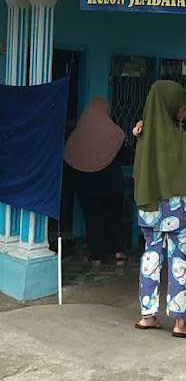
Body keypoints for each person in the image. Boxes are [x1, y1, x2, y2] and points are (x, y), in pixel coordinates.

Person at [133, 80, 186, 337]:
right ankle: (179, 322)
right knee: (179, 262)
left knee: (150, 258)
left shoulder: (142, 137)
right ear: (170, 105)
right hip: (178, 212)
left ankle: (147, 316)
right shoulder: (183, 140)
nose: (185, 109)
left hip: (150, 208)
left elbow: (138, 174)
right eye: (182, 105)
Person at [63, 98, 130, 265]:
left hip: (86, 184)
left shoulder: (77, 134)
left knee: (93, 219)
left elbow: (69, 159)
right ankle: (118, 251)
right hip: (112, 184)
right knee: (114, 217)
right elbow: (127, 157)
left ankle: (97, 255)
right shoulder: (116, 133)